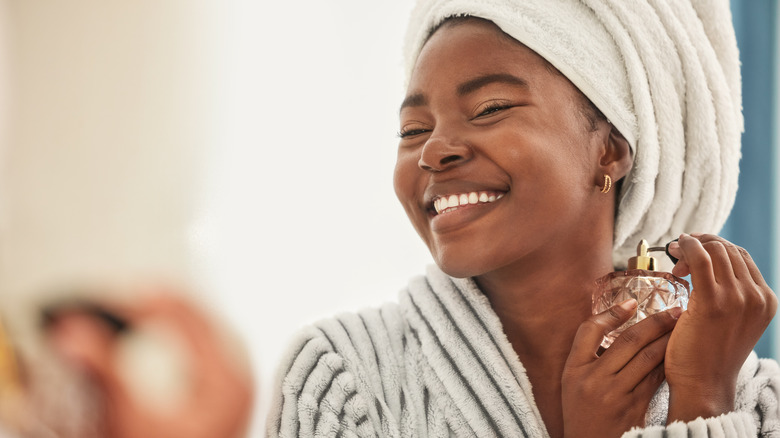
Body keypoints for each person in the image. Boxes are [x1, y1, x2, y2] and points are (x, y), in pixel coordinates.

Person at [265, 0, 779, 437]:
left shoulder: (757, 404)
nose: (433, 151)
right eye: (412, 129)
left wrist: (704, 403)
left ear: (610, 152)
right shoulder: (342, 377)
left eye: (489, 108)